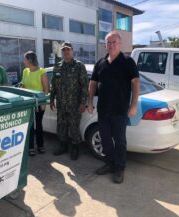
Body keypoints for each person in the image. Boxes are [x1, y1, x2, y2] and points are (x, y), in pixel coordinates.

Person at [88, 31, 140, 184]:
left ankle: (120, 168)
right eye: (108, 42)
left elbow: (136, 83)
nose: (110, 45)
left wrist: (134, 105)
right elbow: (93, 83)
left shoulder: (128, 61)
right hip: (103, 110)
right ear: (105, 45)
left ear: (120, 44)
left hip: (120, 110)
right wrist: (90, 102)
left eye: (114, 42)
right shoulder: (100, 62)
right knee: (105, 140)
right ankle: (110, 164)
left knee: (120, 141)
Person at [50, 42, 88, 160]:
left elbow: (84, 86)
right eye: (64, 50)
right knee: (61, 125)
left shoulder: (79, 66)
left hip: (74, 104)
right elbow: (54, 85)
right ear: (62, 52)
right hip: (61, 103)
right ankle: (63, 146)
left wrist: (82, 103)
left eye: (68, 50)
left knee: (73, 127)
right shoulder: (57, 66)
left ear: (72, 51)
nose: (66, 52)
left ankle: (75, 148)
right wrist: (51, 99)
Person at [22, 51, 49, 156]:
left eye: (24, 59)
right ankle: (30, 147)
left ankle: (40, 145)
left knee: (38, 125)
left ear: (29, 60)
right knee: (29, 126)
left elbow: (46, 89)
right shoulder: (25, 71)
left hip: (39, 102)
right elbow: (24, 86)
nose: (23, 61)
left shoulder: (42, 71)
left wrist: (43, 103)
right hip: (28, 103)